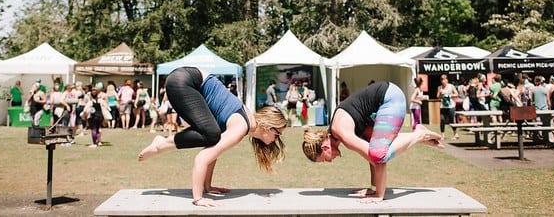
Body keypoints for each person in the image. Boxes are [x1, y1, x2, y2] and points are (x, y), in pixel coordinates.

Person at [138, 66, 287, 207]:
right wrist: (198, 198)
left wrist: (207, 186)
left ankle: (160, 143)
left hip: (184, 80)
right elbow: (202, 159)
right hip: (184, 82)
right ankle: (161, 144)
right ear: (268, 127)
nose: (277, 139)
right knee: (211, 135)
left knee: (212, 136)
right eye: (278, 133)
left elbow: (213, 150)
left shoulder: (245, 121)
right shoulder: (241, 127)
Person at [301, 81, 443, 203]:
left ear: (325, 147)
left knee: (378, 154)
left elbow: (377, 160)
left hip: (390, 98)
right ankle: (419, 135)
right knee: (375, 150)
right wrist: (373, 188)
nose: (330, 161)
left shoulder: (342, 133)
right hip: (386, 96)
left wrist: (378, 195)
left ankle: (419, 134)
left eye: (325, 160)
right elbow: (370, 155)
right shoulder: (339, 130)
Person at [82, 82, 109, 148]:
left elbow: (85, 110)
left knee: (93, 129)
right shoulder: (101, 101)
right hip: (100, 116)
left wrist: (84, 116)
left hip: (92, 117)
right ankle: (99, 141)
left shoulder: (90, 102)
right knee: (99, 128)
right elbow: (107, 107)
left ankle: (94, 143)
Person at [437, 74, 459, 140]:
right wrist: (440, 94)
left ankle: (455, 134)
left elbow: (456, 94)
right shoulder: (440, 87)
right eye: (442, 80)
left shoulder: (451, 86)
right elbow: (438, 96)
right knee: (442, 120)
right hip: (443, 106)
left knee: (452, 120)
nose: (443, 81)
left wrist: (449, 95)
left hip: (451, 106)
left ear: (447, 80)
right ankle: (442, 135)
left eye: (444, 79)